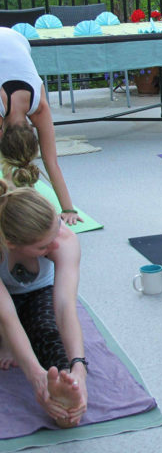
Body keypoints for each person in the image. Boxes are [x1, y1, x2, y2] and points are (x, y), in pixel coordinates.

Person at [0, 180, 87, 428]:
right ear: (11, 244)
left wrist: (78, 368)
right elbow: (6, 316)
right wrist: (35, 376)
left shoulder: (64, 239)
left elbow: (65, 308)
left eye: (55, 231)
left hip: (38, 292)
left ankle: (65, 392)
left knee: (47, 332)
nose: (55, 245)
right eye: (43, 246)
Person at [0, 27, 80, 225]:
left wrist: (69, 209)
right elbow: (51, 161)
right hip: (13, 38)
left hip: (17, 41)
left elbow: (50, 161)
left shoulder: (39, 106)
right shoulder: (39, 107)